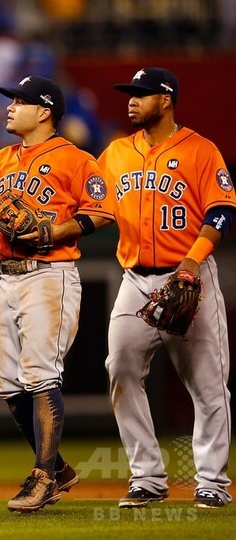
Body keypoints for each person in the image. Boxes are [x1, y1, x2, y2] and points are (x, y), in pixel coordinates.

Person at [0, 75, 115, 513]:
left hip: (49, 275)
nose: (9, 107)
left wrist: (55, 230)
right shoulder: (5, 158)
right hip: (8, 277)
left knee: (41, 375)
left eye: (19, 101)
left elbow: (103, 211)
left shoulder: (74, 159)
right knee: (8, 385)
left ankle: (43, 476)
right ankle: (58, 468)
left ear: (44, 111)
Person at [100, 67, 233, 509]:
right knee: (120, 368)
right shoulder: (116, 153)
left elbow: (221, 211)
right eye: (130, 93)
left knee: (208, 385)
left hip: (189, 275)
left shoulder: (200, 150)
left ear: (166, 99)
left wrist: (192, 262)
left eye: (141, 94)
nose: (131, 100)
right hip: (135, 279)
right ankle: (148, 477)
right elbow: (93, 203)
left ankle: (212, 481)